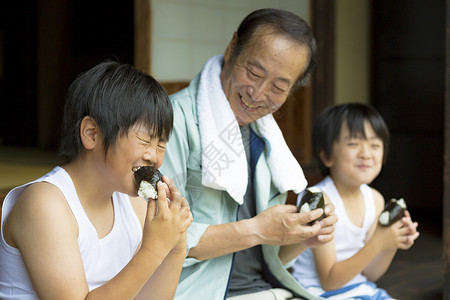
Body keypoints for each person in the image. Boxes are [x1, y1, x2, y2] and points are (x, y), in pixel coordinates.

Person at [159, 8, 338, 300]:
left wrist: (304, 237)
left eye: (279, 87)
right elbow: (160, 236)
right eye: (254, 73)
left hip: (267, 290)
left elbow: (265, 257)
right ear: (232, 48)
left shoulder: (265, 137)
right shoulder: (173, 121)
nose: (258, 93)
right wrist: (255, 230)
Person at [0, 61, 193, 299]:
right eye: (145, 141)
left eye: (161, 144)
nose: (154, 156)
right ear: (91, 133)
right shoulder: (45, 205)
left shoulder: (134, 205)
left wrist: (176, 245)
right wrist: (154, 249)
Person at [291, 103, 420, 299]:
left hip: (359, 290)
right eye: (353, 144)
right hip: (316, 293)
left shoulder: (375, 199)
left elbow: (370, 273)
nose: (366, 154)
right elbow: (329, 280)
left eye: (375, 145)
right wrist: (378, 243)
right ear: (326, 156)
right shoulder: (320, 199)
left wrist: (391, 243)